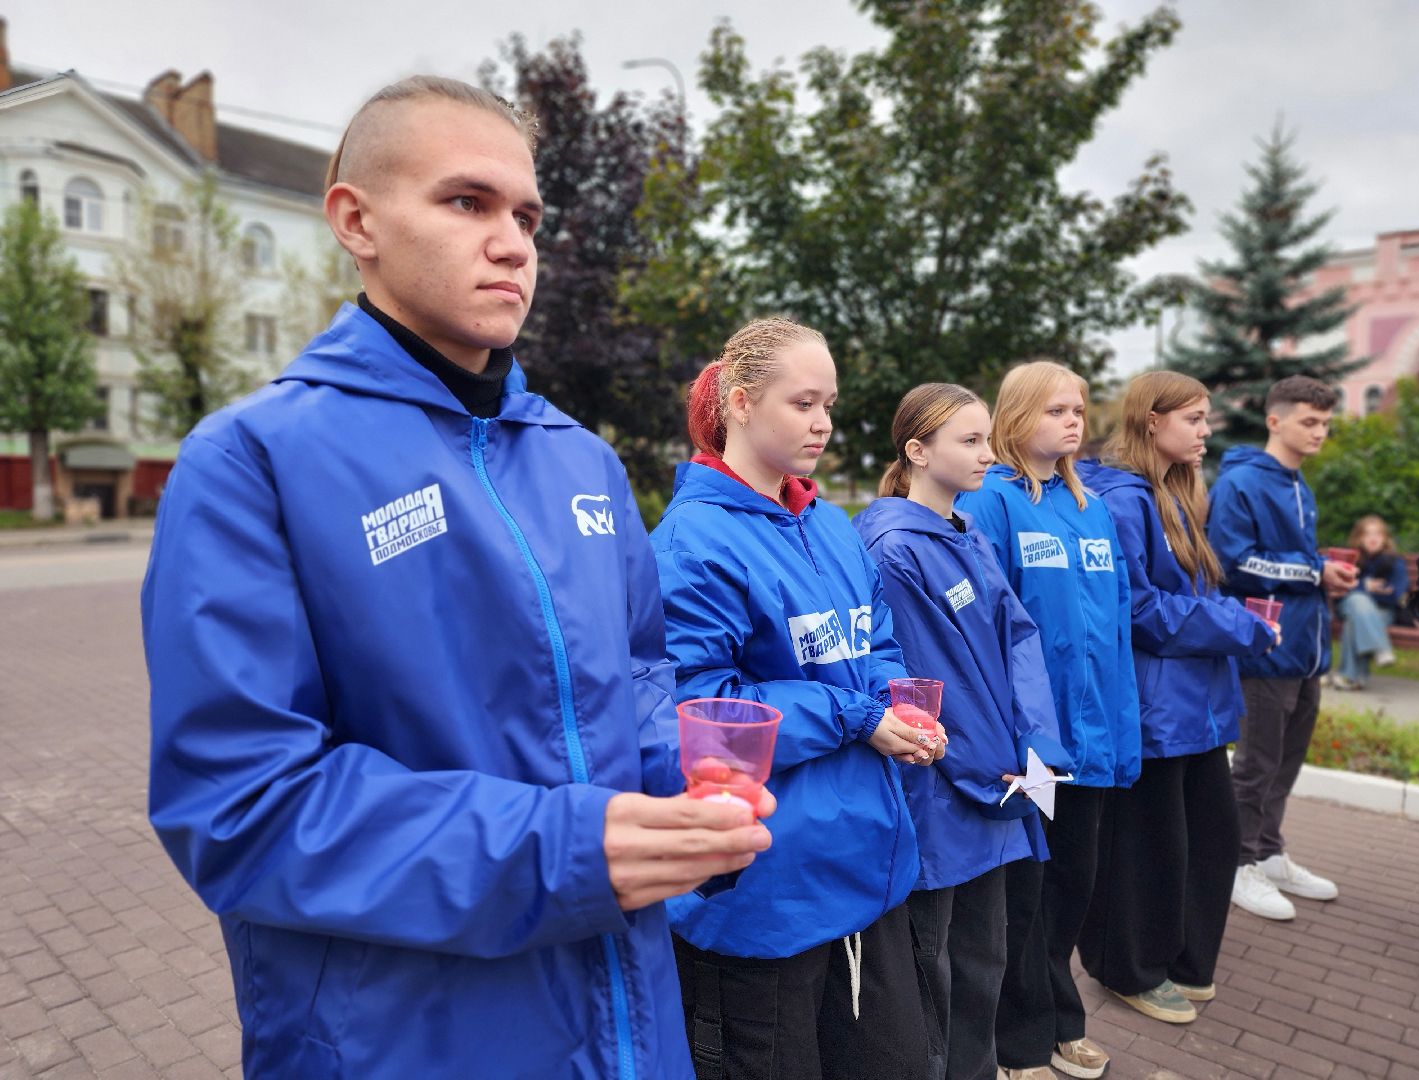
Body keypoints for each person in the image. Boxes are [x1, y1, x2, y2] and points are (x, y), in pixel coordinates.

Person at [141, 76, 773, 1079]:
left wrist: (689, 800)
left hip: (629, 1020)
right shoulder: (250, 461)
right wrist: (569, 850)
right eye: (465, 202)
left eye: (526, 214)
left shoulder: (583, 462)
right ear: (357, 221)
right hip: (407, 1041)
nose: (515, 242)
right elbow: (240, 805)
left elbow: (641, 688)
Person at [650, 318, 941, 1080]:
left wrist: (899, 711)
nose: (823, 423)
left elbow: (875, 646)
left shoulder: (836, 528)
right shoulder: (691, 542)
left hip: (865, 871)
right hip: (763, 893)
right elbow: (702, 714)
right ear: (742, 404)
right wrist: (858, 715)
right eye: (803, 401)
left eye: (830, 404)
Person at [853, 384, 1072, 1080]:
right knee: (933, 979)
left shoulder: (965, 533)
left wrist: (1039, 749)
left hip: (997, 788)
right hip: (944, 798)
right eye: (969, 441)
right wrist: (998, 773)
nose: (987, 453)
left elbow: (1020, 639)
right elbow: (924, 692)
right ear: (917, 450)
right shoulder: (893, 551)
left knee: (984, 968)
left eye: (986, 439)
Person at [956, 360, 1141, 1080]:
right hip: (1034, 745)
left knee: (1073, 888)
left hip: (1091, 740)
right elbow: (991, 632)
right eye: (1055, 410)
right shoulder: (995, 503)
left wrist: (1122, 732)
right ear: (1016, 416)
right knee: (1026, 899)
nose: (1073, 421)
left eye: (1079, 409)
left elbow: (1117, 628)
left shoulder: (1091, 506)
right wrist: (1014, 736)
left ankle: (1061, 1019)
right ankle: (1020, 1040)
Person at [1075, 372, 1278, 1025]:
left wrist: (1241, 621)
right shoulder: (1123, 499)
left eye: (1206, 418)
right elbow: (1136, 608)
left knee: (1209, 841)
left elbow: (1190, 595)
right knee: (1146, 851)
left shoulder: (1178, 493)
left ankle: (1182, 960)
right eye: (1194, 418)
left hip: (1198, 703)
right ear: (1151, 420)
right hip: (1157, 710)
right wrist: (1239, 626)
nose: (1205, 430)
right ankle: (1129, 969)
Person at [1208, 375, 1356, 922]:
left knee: (1285, 761)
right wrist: (1315, 571)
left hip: (1305, 651)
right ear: (1276, 420)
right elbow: (1233, 563)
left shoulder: (1300, 484)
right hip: (1262, 648)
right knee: (1255, 763)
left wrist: (1325, 575)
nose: (1320, 432)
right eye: (1309, 422)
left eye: (1325, 423)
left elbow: (1291, 562)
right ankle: (1238, 863)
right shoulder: (1242, 483)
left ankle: (1268, 852)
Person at [1332, 515, 1407, 688]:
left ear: (1385, 538)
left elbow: (1394, 596)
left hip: (1384, 611)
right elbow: (1340, 590)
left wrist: (1360, 588)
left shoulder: (1395, 562)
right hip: (1348, 605)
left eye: (1378, 534)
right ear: (1359, 538)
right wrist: (1366, 587)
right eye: (1367, 534)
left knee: (1355, 620)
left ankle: (1352, 678)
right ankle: (1380, 648)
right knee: (1358, 600)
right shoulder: (1351, 560)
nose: (1373, 538)